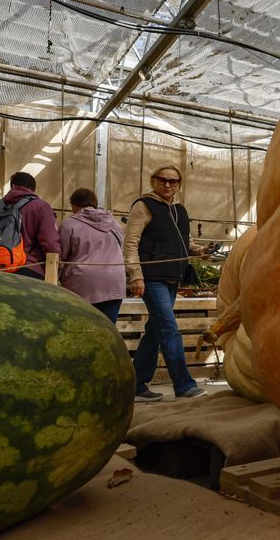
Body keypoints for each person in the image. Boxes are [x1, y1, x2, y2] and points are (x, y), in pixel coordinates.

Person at [124, 165, 209, 402]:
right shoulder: (143, 206)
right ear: (153, 181)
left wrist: (201, 250)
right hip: (152, 278)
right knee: (169, 329)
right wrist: (135, 275)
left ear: (179, 184)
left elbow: (186, 241)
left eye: (173, 181)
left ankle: (137, 384)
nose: (168, 185)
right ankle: (184, 385)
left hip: (172, 278)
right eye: (163, 180)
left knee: (155, 331)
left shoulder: (180, 210)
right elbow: (130, 242)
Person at [0, 172, 59, 279]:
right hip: (29, 269)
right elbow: (50, 243)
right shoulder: (41, 207)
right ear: (33, 189)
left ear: (12, 186)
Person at [58, 188, 126, 324]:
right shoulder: (115, 224)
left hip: (82, 283)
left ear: (74, 205)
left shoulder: (69, 224)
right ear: (94, 203)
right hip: (114, 281)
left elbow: (61, 255)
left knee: (80, 329)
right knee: (107, 330)